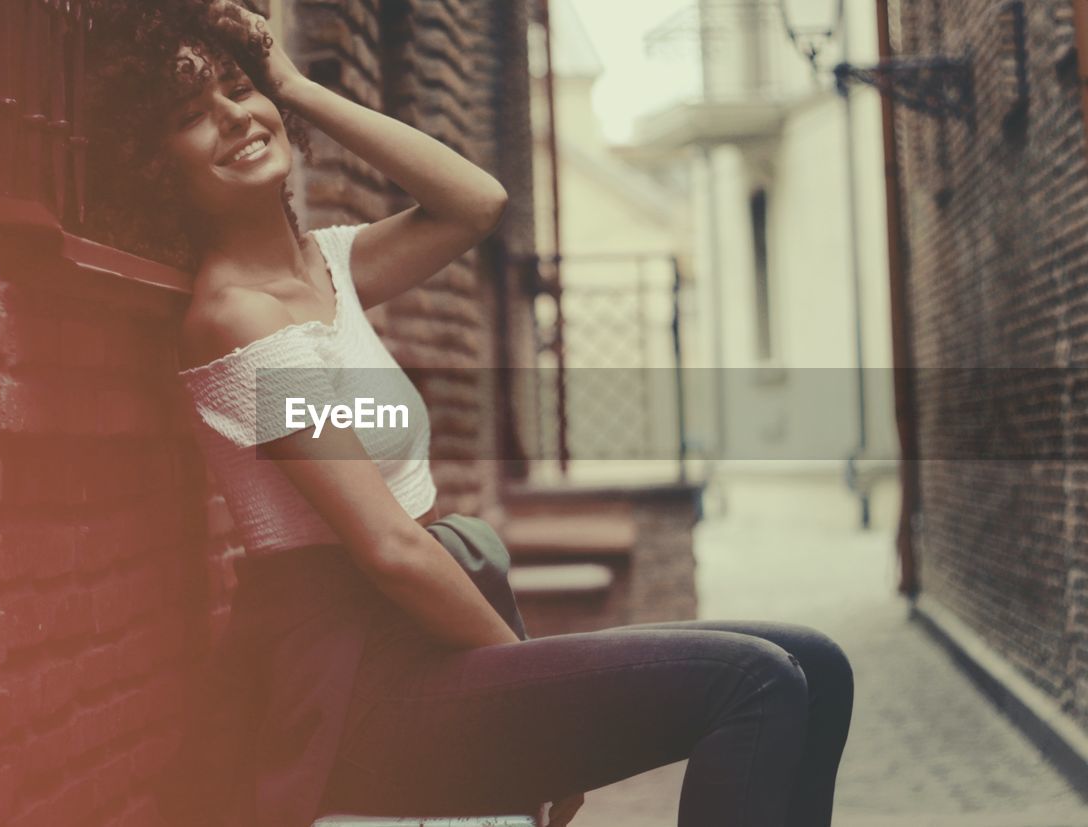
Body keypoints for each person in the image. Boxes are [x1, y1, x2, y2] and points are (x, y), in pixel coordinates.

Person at [85, 3, 855, 826]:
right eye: (189, 117)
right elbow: (389, 548)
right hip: (360, 688)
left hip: (416, 646)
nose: (234, 118)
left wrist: (295, 85)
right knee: (759, 683)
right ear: (155, 165)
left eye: (239, 90)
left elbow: (475, 203)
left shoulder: (328, 267)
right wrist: (552, 719)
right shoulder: (239, 319)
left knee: (818, 665)